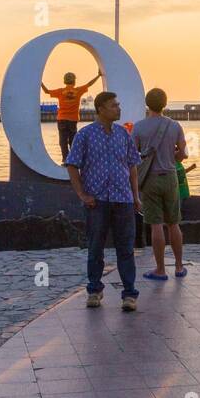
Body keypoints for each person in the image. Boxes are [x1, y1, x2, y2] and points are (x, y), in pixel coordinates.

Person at [65, 91, 142, 310]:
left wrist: (135, 196)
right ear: (101, 109)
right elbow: (72, 164)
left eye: (118, 105)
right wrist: (82, 194)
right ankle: (94, 290)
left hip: (123, 199)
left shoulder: (123, 134)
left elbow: (132, 166)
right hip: (96, 200)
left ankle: (129, 294)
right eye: (113, 106)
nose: (118, 109)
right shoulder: (85, 135)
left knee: (126, 248)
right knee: (95, 247)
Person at [134, 88, 188, 280]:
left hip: (150, 179)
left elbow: (133, 156)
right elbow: (182, 154)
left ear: (147, 104)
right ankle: (180, 267)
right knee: (174, 223)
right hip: (170, 177)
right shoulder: (174, 126)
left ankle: (160, 269)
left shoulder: (139, 127)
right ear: (165, 103)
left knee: (156, 225)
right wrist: (171, 156)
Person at [42, 70, 102, 163]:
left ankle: (65, 159)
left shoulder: (60, 91)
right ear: (74, 81)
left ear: (64, 81)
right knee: (73, 141)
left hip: (61, 119)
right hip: (73, 120)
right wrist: (98, 76)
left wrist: (40, 82)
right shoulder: (78, 91)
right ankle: (74, 159)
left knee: (63, 141)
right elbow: (89, 84)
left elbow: (46, 91)